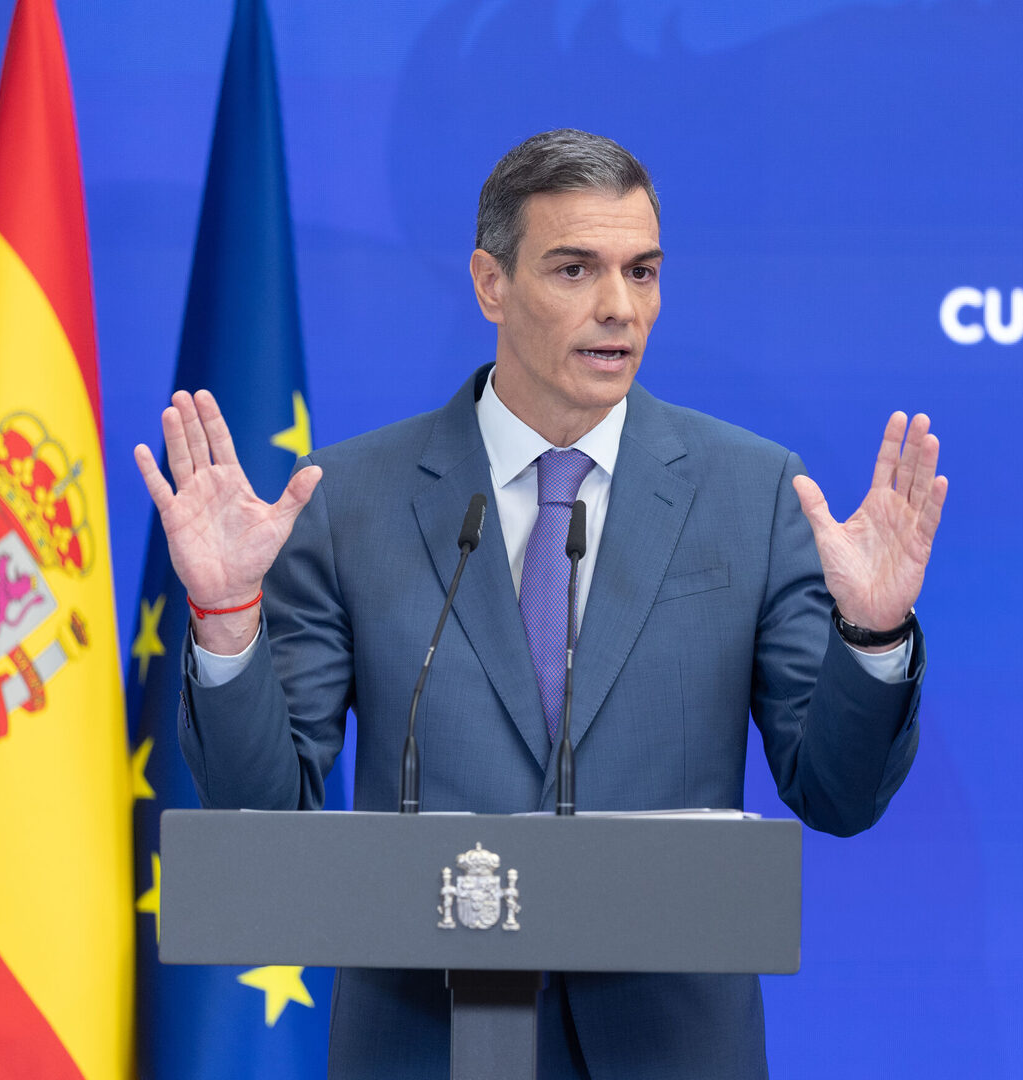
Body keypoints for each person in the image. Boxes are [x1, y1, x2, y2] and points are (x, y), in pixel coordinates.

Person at [134, 129, 948, 1080]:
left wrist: (872, 633)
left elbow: (838, 795)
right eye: (575, 269)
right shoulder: (353, 499)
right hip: (422, 1046)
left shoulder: (750, 492)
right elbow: (265, 809)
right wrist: (227, 613)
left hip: (668, 1050)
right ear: (491, 284)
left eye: (641, 273)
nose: (619, 308)